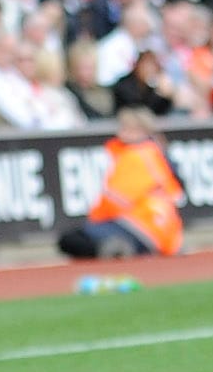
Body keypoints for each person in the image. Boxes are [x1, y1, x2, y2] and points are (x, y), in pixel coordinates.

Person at [56, 108, 186, 259]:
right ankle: (120, 247)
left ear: (142, 131)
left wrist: (94, 221)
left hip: (140, 224)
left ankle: (118, 247)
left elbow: (116, 199)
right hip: (165, 232)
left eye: (128, 128)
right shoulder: (156, 154)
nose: (122, 132)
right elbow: (176, 193)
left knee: (71, 239)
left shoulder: (135, 155)